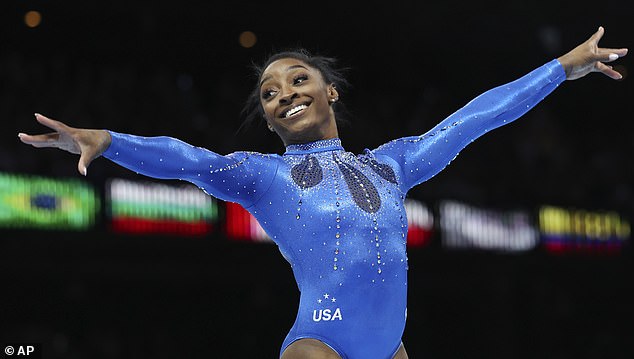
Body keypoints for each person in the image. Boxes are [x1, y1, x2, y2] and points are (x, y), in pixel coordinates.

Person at [19, 26, 626, 359]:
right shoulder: (261, 176)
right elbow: (187, 159)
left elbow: (472, 120)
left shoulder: (394, 164)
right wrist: (109, 140)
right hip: (319, 344)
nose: (283, 93)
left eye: (297, 79)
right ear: (269, 117)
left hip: (391, 349)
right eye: (269, 93)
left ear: (330, 91)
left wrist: (560, 69)